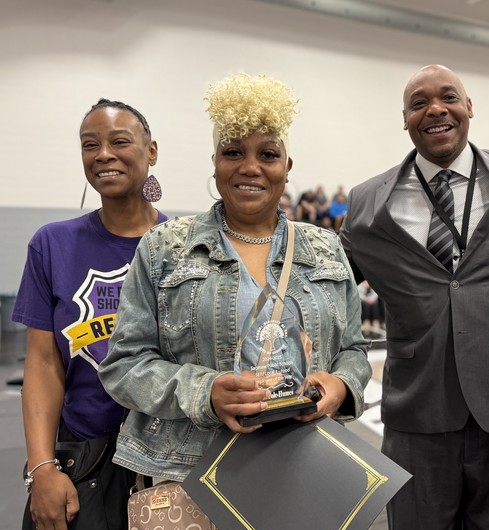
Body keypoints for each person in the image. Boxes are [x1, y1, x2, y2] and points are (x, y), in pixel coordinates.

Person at [339, 64, 489, 530]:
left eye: (448, 97)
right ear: (405, 119)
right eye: (418, 103)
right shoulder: (368, 201)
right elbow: (331, 288)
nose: (435, 109)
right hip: (417, 412)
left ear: (469, 108)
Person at [99, 73, 371, 491]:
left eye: (267, 153)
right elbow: (124, 364)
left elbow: (353, 349)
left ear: (287, 166)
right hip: (194, 473)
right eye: (232, 152)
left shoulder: (325, 248)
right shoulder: (165, 248)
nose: (250, 167)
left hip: (306, 466)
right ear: (215, 163)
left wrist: (340, 383)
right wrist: (205, 392)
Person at [13, 98, 167, 530]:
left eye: (120, 141)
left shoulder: (183, 245)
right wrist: (42, 468)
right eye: (90, 145)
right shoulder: (53, 245)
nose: (103, 154)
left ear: (151, 150)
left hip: (170, 462)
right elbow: (43, 364)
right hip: (84, 459)